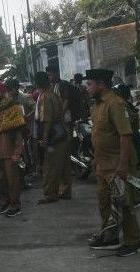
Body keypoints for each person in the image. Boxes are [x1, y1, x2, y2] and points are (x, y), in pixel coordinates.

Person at [85, 69, 140, 256]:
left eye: (89, 84)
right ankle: (110, 236)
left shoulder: (115, 104)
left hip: (118, 163)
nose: (87, 88)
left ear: (101, 85)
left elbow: (125, 135)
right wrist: (95, 159)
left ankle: (133, 242)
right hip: (103, 163)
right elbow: (100, 134)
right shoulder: (97, 105)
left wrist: (123, 165)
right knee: (104, 202)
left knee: (124, 203)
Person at [0, 82, 26, 217]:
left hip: (9, 152)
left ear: (3, 93)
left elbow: (19, 135)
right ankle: (4, 202)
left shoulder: (14, 109)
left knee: (12, 180)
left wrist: (17, 152)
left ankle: (15, 205)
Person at [34, 71, 71, 204]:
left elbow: (47, 120)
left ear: (37, 83)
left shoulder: (44, 97)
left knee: (50, 166)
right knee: (64, 165)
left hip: (53, 136)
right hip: (62, 133)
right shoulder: (54, 94)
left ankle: (50, 194)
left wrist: (44, 138)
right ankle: (65, 191)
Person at [46, 65, 76, 199]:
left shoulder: (63, 85)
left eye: (51, 74)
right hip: (57, 121)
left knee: (65, 150)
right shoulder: (51, 87)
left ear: (56, 74)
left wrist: (60, 114)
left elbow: (67, 101)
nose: (49, 77)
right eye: (48, 75)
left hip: (65, 119)